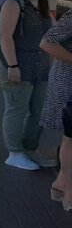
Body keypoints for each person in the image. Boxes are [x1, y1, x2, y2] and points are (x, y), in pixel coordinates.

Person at [0, 0, 56, 170]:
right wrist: (12, 66)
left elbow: (53, 35)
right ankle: (14, 153)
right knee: (17, 109)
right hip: (17, 63)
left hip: (41, 66)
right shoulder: (14, 2)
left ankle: (30, 148)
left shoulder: (42, 4)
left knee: (39, 110)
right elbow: (5, 36)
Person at [39, 12, 72, 203]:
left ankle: (61, 184)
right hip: (67, 82)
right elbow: (47, 42)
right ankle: (66, 190)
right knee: (70, 136)